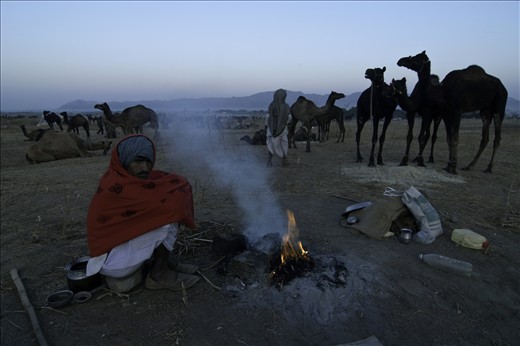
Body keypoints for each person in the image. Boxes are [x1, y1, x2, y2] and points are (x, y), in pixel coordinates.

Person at [86, 134, 200, 292]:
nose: (144, 168)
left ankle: (165, 262)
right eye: (138, 161)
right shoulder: (115, 186)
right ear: (124, 160)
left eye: (148, 161)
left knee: (172, 200)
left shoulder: (125, 178)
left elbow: (167, 180)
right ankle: (158, 274)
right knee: (168, 212)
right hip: (113, 262)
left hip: (121, 248)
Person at [266, 88, 291, 167]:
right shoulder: (273, 105)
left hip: (282, 129)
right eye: (284, 96)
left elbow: (289, 117)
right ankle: (269, 162)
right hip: (274, 129)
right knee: (273, 145)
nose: (285, 97)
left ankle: (284, 161)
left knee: (284, 144)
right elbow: (269, 117)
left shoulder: (286, 106)